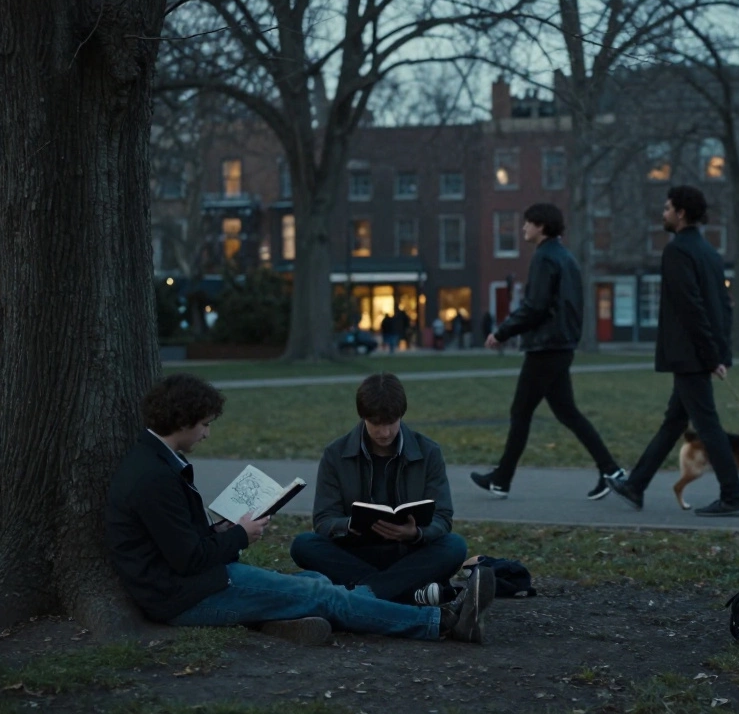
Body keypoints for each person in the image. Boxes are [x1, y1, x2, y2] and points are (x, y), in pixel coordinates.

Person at [106, 373, 493, 645]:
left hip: (199, 582)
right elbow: (187, 559)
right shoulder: (153, 477)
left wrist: (220, 533)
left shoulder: (155, 462)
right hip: (187, 595)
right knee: (325, 593)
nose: (207, 433)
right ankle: (442, 621)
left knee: (319, 586)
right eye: (205, 424)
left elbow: (181, 544)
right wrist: (241, 534)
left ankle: (287, 623)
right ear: (183, 420)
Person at [469, 203, 627, 500]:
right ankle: (611, 470)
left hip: (546, 347)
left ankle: (501, 480)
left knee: (521, 411)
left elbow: (535, 306)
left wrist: (502, 332)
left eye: (527, 223)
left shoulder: (544, 258)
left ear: (541, 226)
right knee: (567, 412)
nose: (523, 229)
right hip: (561, 345)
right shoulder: (566, 258)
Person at [605, 186, 739, 517]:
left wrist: (711, 357)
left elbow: (691, 308)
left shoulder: (677, 252)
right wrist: (720, 354)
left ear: (681, 213)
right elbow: (723, 308)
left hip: (689, 354)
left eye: (667, 208)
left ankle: (733, 496)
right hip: (700, 353)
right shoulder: (709, 253)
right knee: (674, 423)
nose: (663, 214)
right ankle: (635, 485)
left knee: (708, 425)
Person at [291, 373, 468, 606]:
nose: (384, 433)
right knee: (303, 545)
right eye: (376, 423)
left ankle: (360, 596)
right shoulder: (336, 453)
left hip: (409, 552)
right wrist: (348, 525)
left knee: (455, 546)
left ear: (401, 416)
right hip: (354, 552)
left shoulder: (428, 452)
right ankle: (410, 593)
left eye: (391, 423)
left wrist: (415, 534)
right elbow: (323, 520)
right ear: (363, 417)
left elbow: (443, 518)